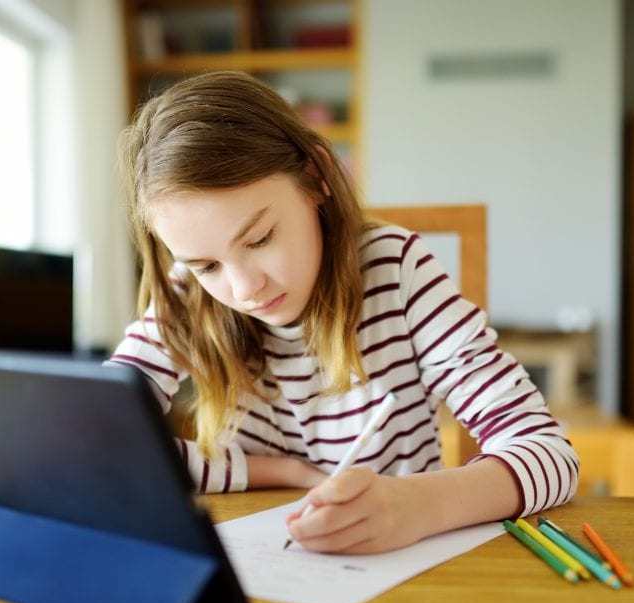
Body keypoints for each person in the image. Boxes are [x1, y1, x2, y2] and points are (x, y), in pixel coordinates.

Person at [110, 71, 578, 555]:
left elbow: (551, 455)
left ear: (316, 179)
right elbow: (102, 448)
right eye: (207, 264)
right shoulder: (187, 294)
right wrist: (285, 472)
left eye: (260, 239)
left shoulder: (396, 272)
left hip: (398, 569)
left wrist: (419, 505)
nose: (245, 288)